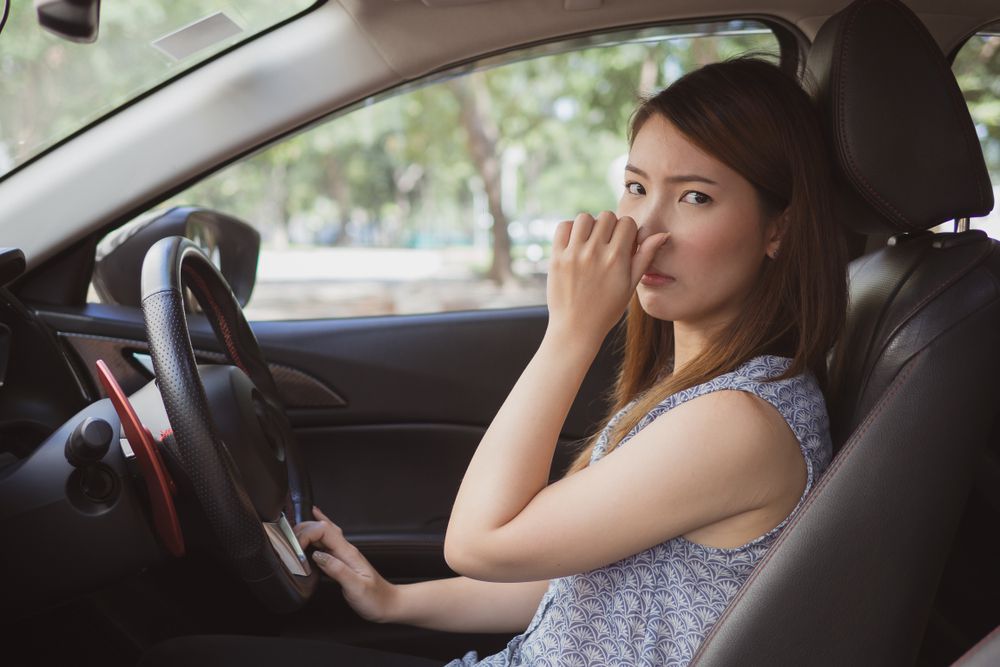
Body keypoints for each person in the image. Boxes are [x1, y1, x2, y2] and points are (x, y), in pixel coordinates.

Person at [140, 55, 847, 667]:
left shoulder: (737, 421)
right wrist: (393, 601)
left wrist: (571, 330)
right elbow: (571, 567)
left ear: (777, 228)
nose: (645, 228)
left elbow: (480, 542)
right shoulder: (698, 389)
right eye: (635, 187)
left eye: (694, 197)